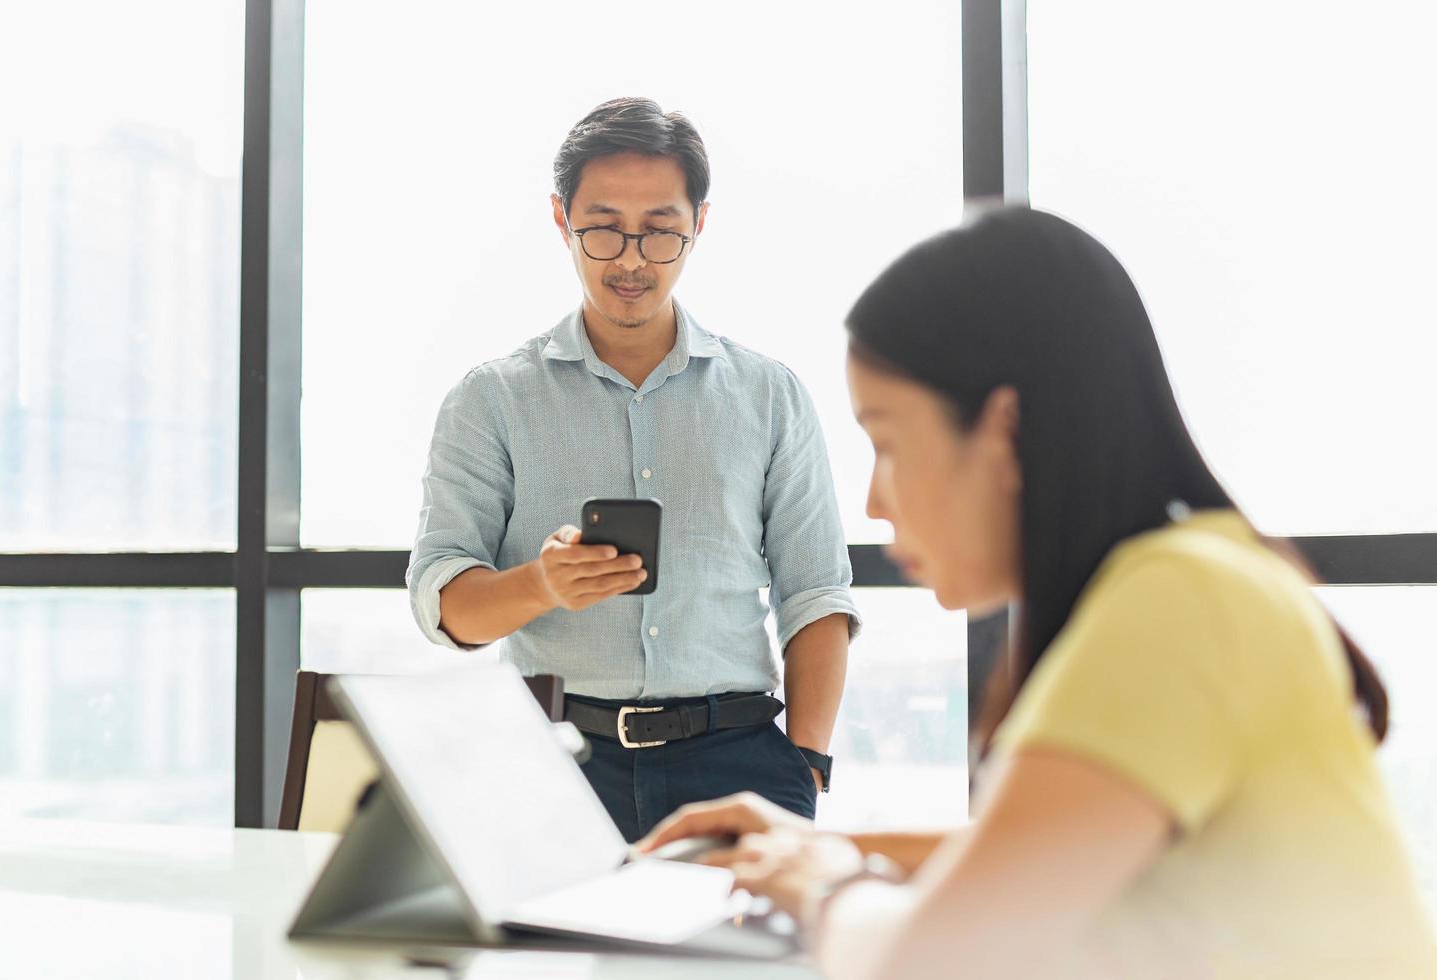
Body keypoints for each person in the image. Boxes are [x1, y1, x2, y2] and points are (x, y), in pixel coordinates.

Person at [640, 208, 1437, 977]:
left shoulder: (1178, 604)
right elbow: (1036, 856)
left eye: (887, 441)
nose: (876, 503)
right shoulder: (1200, 574)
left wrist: (821, 886)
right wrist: (811, 845)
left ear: (1005, 429)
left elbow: (936, 964)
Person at [406, 97, 859, 842]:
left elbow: (815, 593)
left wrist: (806, 763)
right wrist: (540, 584)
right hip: (549, 764)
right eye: (604, 227)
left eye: (659, 233)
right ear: (561, 218)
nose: (629, 259)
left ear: (699, 224)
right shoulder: (491, 399)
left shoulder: (769, 394)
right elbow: (443, 602)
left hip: (738, 762)